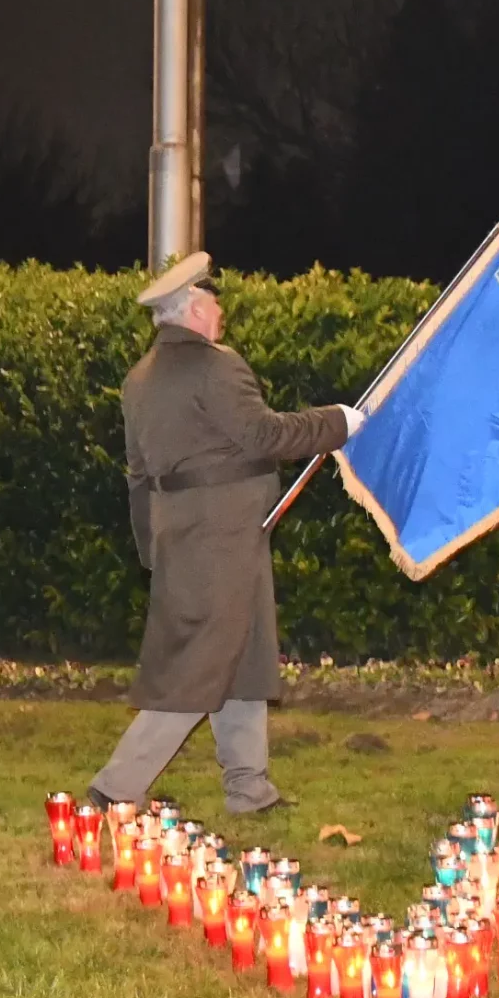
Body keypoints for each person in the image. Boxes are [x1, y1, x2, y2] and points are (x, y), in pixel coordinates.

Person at [87, 253, 361, 814]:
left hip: (184, 534)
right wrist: (337, 422)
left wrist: (151, 547)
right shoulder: (217, 365)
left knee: (241, 654)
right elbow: (262, 435)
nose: (222, 314)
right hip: (223, 535)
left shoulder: (138, 379)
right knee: (197, 663)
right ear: (193, 308)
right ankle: (115, 787)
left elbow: (139, 474)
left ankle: (249, 786)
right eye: (214, 304)